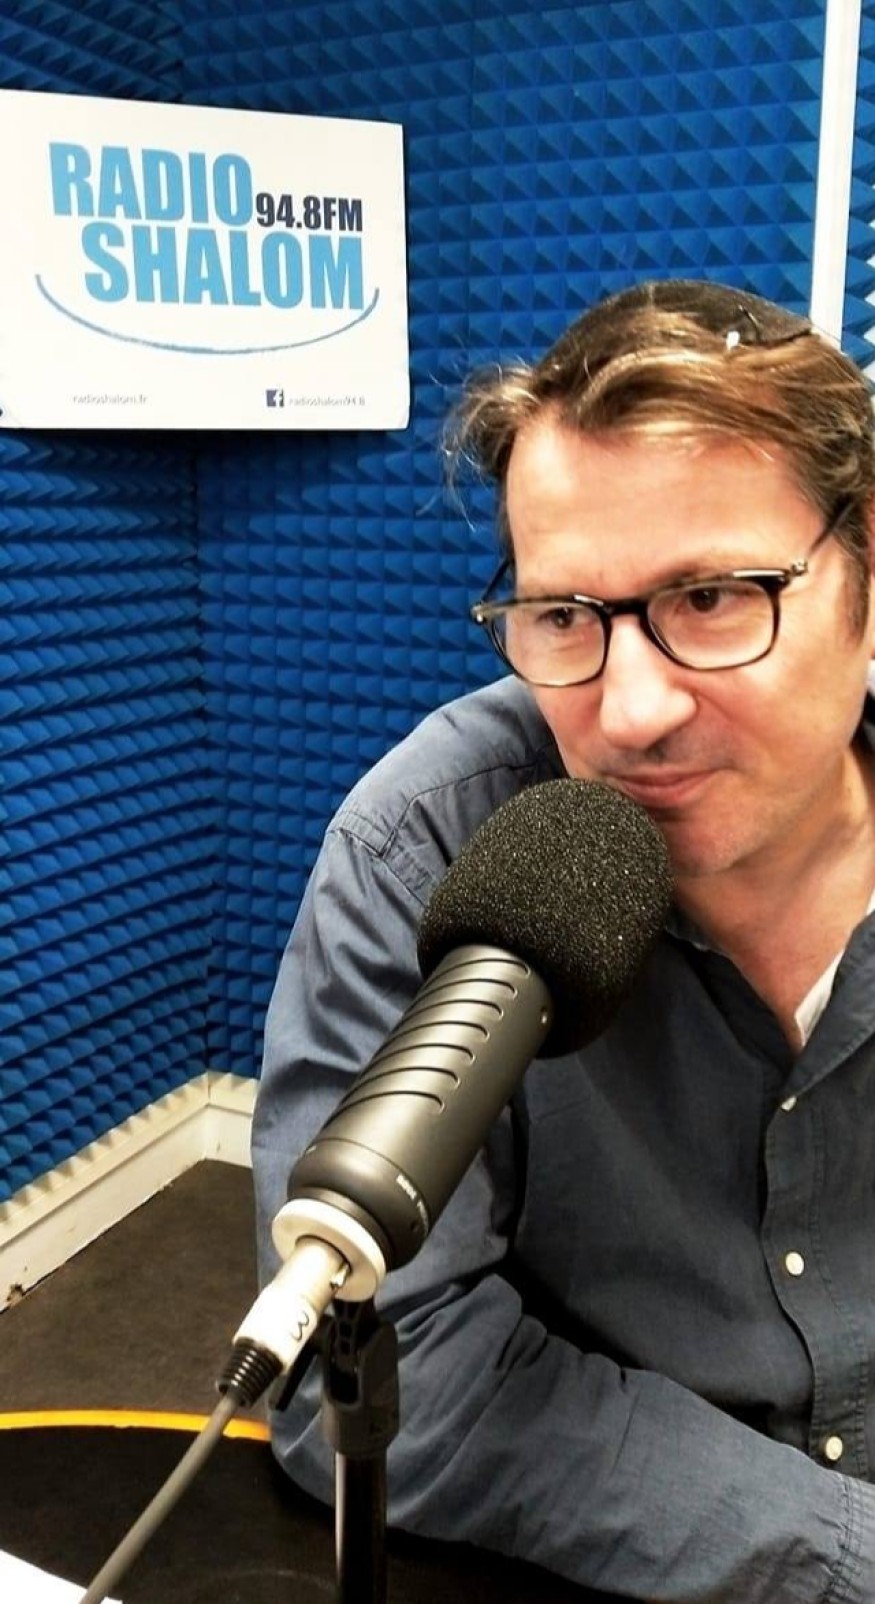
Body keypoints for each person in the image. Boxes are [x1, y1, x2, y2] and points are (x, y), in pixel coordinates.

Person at [250, 278, 875, 1602]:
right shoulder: (426, 844)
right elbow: (376, 1369)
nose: (631, 712)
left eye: (713, 597)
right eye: (565, 618)